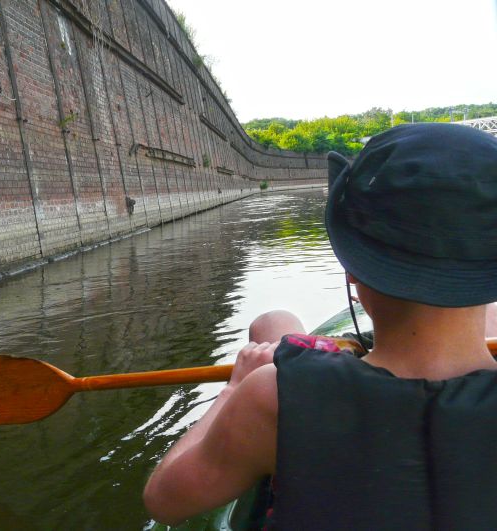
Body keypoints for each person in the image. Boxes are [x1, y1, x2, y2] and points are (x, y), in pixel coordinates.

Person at [143, 123, 497, 529]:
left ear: (352, 268)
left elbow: (164, 501)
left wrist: (234, 389)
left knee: (274, 324)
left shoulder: (272, 396)